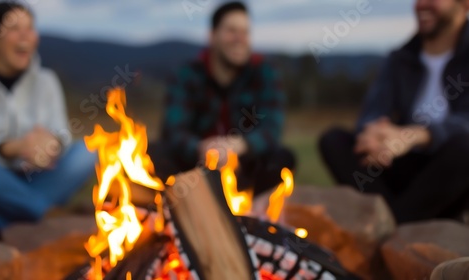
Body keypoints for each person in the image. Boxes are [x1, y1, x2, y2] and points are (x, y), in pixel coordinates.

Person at [319, 0, 469, 224]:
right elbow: (372, 112)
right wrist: (377, 137)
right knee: (334, 140)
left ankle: (393, 224)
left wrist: (417, 135)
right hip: (398, 162)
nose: (422, 4)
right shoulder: (400, 58)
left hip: (449, 170)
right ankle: (403, 219)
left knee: (465, 148)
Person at [0, 2, 96, 231]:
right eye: (15, 28)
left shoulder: (46, 80)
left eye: (30, 28)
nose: (26, 36)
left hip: (37, 178)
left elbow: (61, 133)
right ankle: (44, 213)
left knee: (88, 151)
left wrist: (51, 145)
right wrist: (14, 148)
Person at [149, 2, 295, 196]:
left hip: (244, 167)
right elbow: (173, 131)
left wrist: (239, 145)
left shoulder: (264, 72)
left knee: (281, 157)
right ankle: (174, 208)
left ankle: (252, 211)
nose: (239, 39)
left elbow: (272, 129)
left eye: (245, 32)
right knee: (154, 152)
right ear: (212, 35)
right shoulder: (187, 74)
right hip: (194, 168)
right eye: (231, 31)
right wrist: (202, 148)